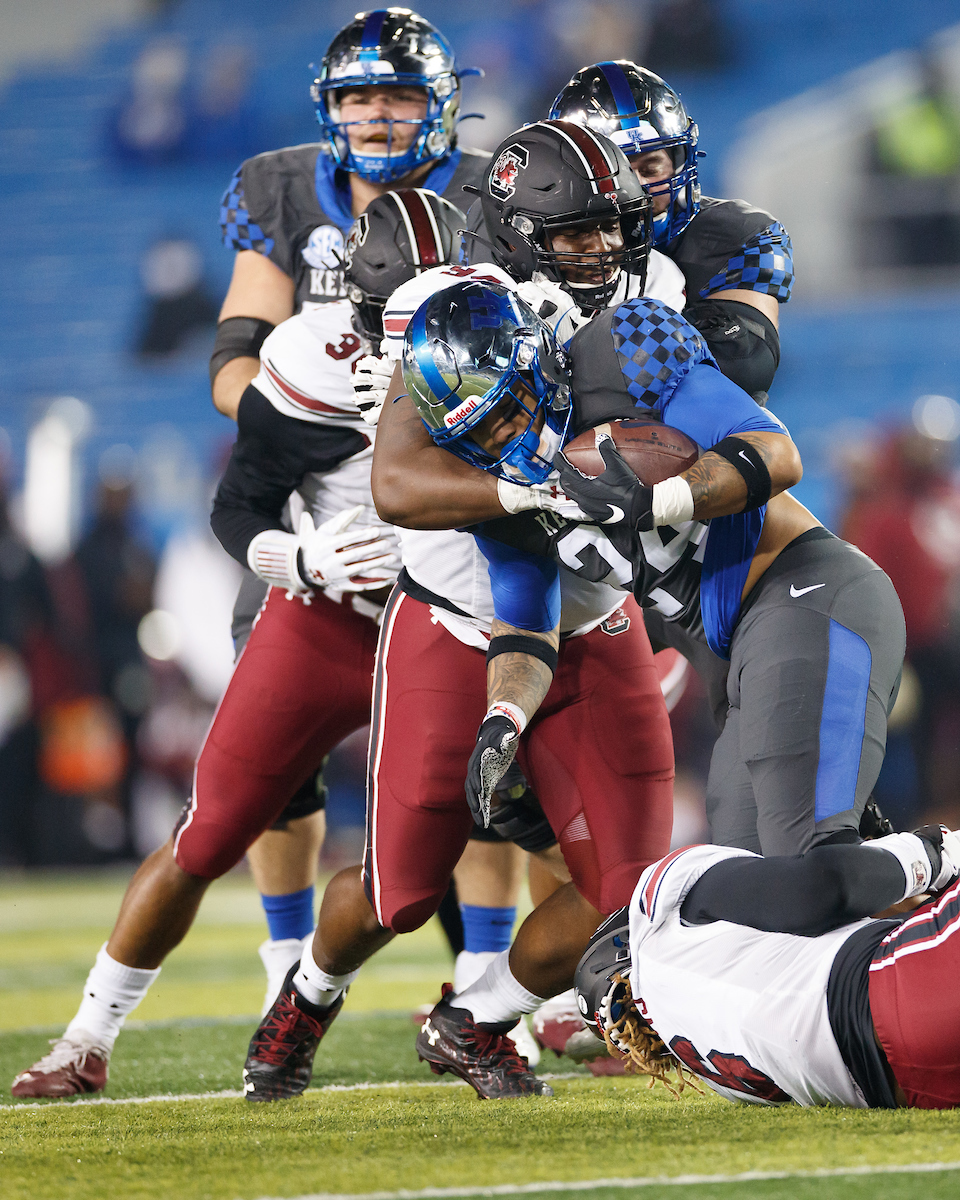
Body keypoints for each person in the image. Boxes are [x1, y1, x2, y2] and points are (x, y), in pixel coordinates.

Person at [241, 128, 686, 1103]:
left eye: (611, 227)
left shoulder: (651, 299)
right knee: (400, 892)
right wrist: (535, 490)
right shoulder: (452, 311)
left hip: (593, 621)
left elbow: (731, 422)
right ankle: (307, 996)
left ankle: (476, 1018)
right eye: (575, 233)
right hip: (455, 621)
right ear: (521, 235)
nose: (603, 249)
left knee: (630, 888)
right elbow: (396, 485)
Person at [8, 189, 459, 1100]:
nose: (415, 324)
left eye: (437, 300)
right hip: (324, 617)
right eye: (397, 304)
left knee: (464, 837)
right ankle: (87, 1036)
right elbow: (237, 506)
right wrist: (300, 556)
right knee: (208, 831)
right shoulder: (310, 356)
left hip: (444, 625)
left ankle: (488, 1006)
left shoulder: (504, 342)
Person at [211, 8, 489, 1013]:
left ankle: (495, 977)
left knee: (483, 760)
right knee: (277, 758)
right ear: (328, 108)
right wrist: (318, 416)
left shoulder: (493, 195)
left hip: (455, 495)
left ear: (441, 104)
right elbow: (233, 363)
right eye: (358, 96)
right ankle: (285, 953)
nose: (376, 115)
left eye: (399, 94)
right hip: (325, 503)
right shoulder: (283, 189)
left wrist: (419, 418)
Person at [574, 827, 960, 1109]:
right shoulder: (656, 921)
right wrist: (931, 855)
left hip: (917, 1088)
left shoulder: (726, 1081)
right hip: (900, 981)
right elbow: (821, 889)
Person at [549, 60, 792, 405]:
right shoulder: (526, 234)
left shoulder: (737, 235)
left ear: (679, 162)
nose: (637, 190)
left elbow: (743, 365)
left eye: (651, 168)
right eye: (618, 171)